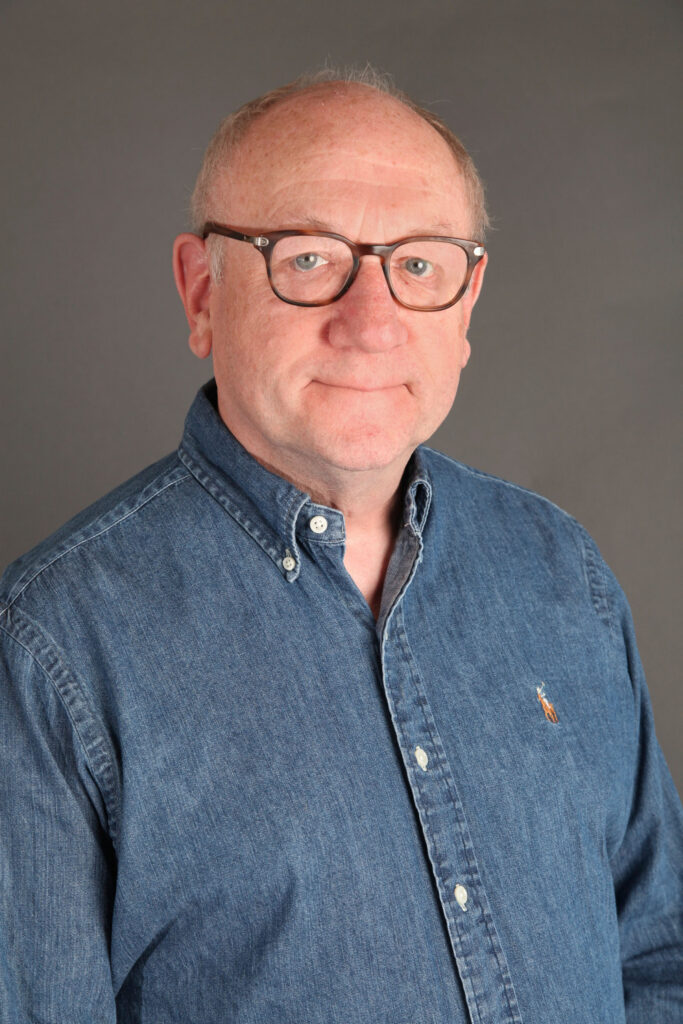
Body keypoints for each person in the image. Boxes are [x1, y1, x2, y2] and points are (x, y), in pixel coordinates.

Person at [0, 70, 681, 1024]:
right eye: (309, 258)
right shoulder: (52, 647)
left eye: (419, 265)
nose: (371, 323)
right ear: (202, 292)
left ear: (466, 306)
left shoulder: (559, 571)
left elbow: (657, 957)